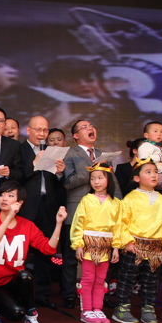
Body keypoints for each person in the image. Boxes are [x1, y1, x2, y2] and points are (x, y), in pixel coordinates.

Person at [0, 181, 66, 323]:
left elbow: (48, 249)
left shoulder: (27, 225)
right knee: (16, 314)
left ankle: (31, 316)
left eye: (10, 196)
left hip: (14, 281)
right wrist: (9, 217)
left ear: (19, 203)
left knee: (25, 276)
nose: (4, 198)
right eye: (2, 195)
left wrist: (58, 224)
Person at [112, 159, 162, 323]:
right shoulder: (130, 198)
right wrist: (127, 242)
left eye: (155, 172)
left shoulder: (161, 198)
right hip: (135, 245)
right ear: (137, 178)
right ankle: (122, 308)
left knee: (151, 279)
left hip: (155, 246)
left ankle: (148, 308)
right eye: (148, 172)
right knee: (128, 278)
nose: (153, 175)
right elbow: (122, 222)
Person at [19, 115, 67, 306]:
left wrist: (60, 173)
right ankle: (19, 292)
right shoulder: (18, 149)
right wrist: (33, 164)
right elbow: (15, 177)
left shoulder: (51, 151)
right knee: (20, 251)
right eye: (38, 129)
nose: (42, 133)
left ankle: (42, 294)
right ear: (28, 130)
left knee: (45, 251)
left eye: (45, 130)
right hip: (25, 206)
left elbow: (58, 184)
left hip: (48, 205)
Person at [61, 119, 108, 309]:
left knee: (101, 255)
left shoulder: (103, 154)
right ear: (75, 135)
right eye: (85, 127)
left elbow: (111, 182)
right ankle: (68, 294)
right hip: (76, 210)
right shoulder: (69, 153)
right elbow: (68, 183)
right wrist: (92, 170)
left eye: (92, 126)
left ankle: (100, 294)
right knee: (71, 257)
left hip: (101, 213)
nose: (91, 128)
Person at [69, 164, 121, 323]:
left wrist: (116, 247)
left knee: (100, 279)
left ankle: (98, 309)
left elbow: (119, 226)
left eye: (100, 178)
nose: (96, 182)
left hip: (106, 245)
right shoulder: (86, 200)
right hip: (88, 244)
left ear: (109, 179)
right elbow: (78, 223)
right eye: (92, 179)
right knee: (88, 278)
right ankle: (86, 310)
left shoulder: (116, 203)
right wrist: (78, 244)